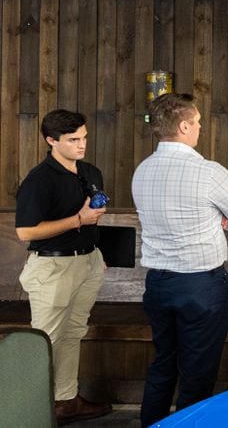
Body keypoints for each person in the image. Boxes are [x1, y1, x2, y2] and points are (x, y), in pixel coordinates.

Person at [132, 93, 228, 426]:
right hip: (201, 286)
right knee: (197, 374)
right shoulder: (208, 172)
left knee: (163, 364)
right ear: (184, 125)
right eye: (198, 122)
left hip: (158, 283)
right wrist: (218, 219)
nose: (200, 127)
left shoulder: (141, 171)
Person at [15, 109, 112, 425]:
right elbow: (25, 232)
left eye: (84, 138)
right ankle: (28, 411)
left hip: (87, 262)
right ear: (51, 141)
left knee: (73, 334)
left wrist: (96, 252)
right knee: (45, 341)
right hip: (53, 267)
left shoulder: (90, 171)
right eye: (73, 140)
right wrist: (77, 221)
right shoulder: (39, 179)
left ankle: (66, 401)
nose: (81, 145)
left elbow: (93, 214)